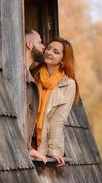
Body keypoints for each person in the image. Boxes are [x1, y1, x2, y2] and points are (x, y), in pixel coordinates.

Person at [33, 37, 79, 167]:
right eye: (48, 48)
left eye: (56, 52)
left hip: (42, 142)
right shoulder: (33, 75)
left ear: (63, 60)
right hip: (26, 137)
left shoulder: (69, 85)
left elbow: (57, 120)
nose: (49, 52)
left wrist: (54, 150)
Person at [24, 29, 47, 163]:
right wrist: (27, 147)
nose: (44, 46)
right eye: (40, 42)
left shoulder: (29, 75)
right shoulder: (18, 76)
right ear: (29, 44)